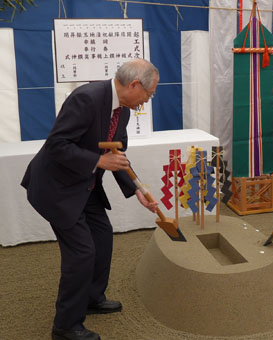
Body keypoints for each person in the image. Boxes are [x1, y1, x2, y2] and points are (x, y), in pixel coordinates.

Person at [21, 58, 160, 340]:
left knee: (102, 236)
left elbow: (117, 158)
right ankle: (65, 326)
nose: (148, 99)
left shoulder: (122, 112)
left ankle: (92, 297)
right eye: (149, 93)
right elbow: (57, 146)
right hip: (57, 188)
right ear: (135, 85)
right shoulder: (86, 98)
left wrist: (137, 190)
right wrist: (98, 160)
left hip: (85, 184)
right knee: (82, 252)